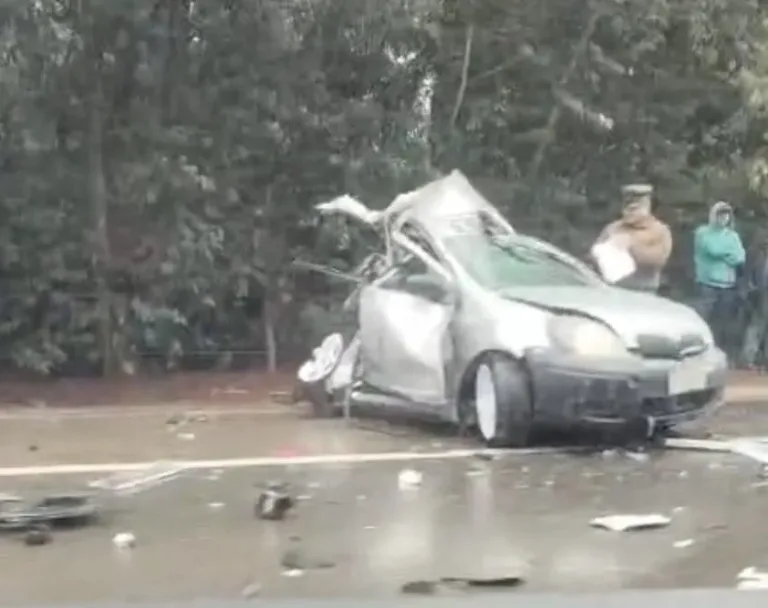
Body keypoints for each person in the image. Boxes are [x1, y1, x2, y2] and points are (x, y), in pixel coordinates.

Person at [592, 184, 672, 293]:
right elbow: (594, 254)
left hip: (644, 288)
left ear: (646, 208)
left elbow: (659, 260)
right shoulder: (613, 227)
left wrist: (631, 247)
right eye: (627, 208)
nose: (629, 212)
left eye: (634, 209)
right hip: (613, 288)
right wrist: (605, 249)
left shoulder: (659, 230)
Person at [693, 201, 745, 359]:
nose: (724, 217)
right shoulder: (702, 232)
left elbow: (740, 257)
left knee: (723, 321)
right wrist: (729, 253)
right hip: (707, 283)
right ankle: (698, 352)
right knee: (703, 319)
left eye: (727, 214)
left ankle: (718, 352)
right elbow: (712, 249)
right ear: (713, 215)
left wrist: (729, 255)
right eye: (721, 214)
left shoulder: (733, 235)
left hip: (728, 284)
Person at [739, 229, 768, 370]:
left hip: (761, 291)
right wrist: (748, 290)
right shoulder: (755, 253)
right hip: (761, 292)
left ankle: (757, 359)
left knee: (757, 326)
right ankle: (748, 358)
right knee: (757, 325)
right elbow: (747, 274)